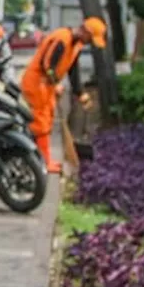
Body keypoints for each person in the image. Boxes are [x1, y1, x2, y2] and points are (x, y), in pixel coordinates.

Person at [20, 17, 107, 173]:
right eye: (90, 38)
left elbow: (73, 71)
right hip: (37, 83)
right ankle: (41, 162)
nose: (90, 42)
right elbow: (47, 65)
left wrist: (79, 93)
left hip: (47, 85)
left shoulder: (77, 45)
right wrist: (55, 82)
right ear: (85, 31)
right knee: (41, 123)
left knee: (47, 119)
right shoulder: (62, 38)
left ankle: (42, 160)